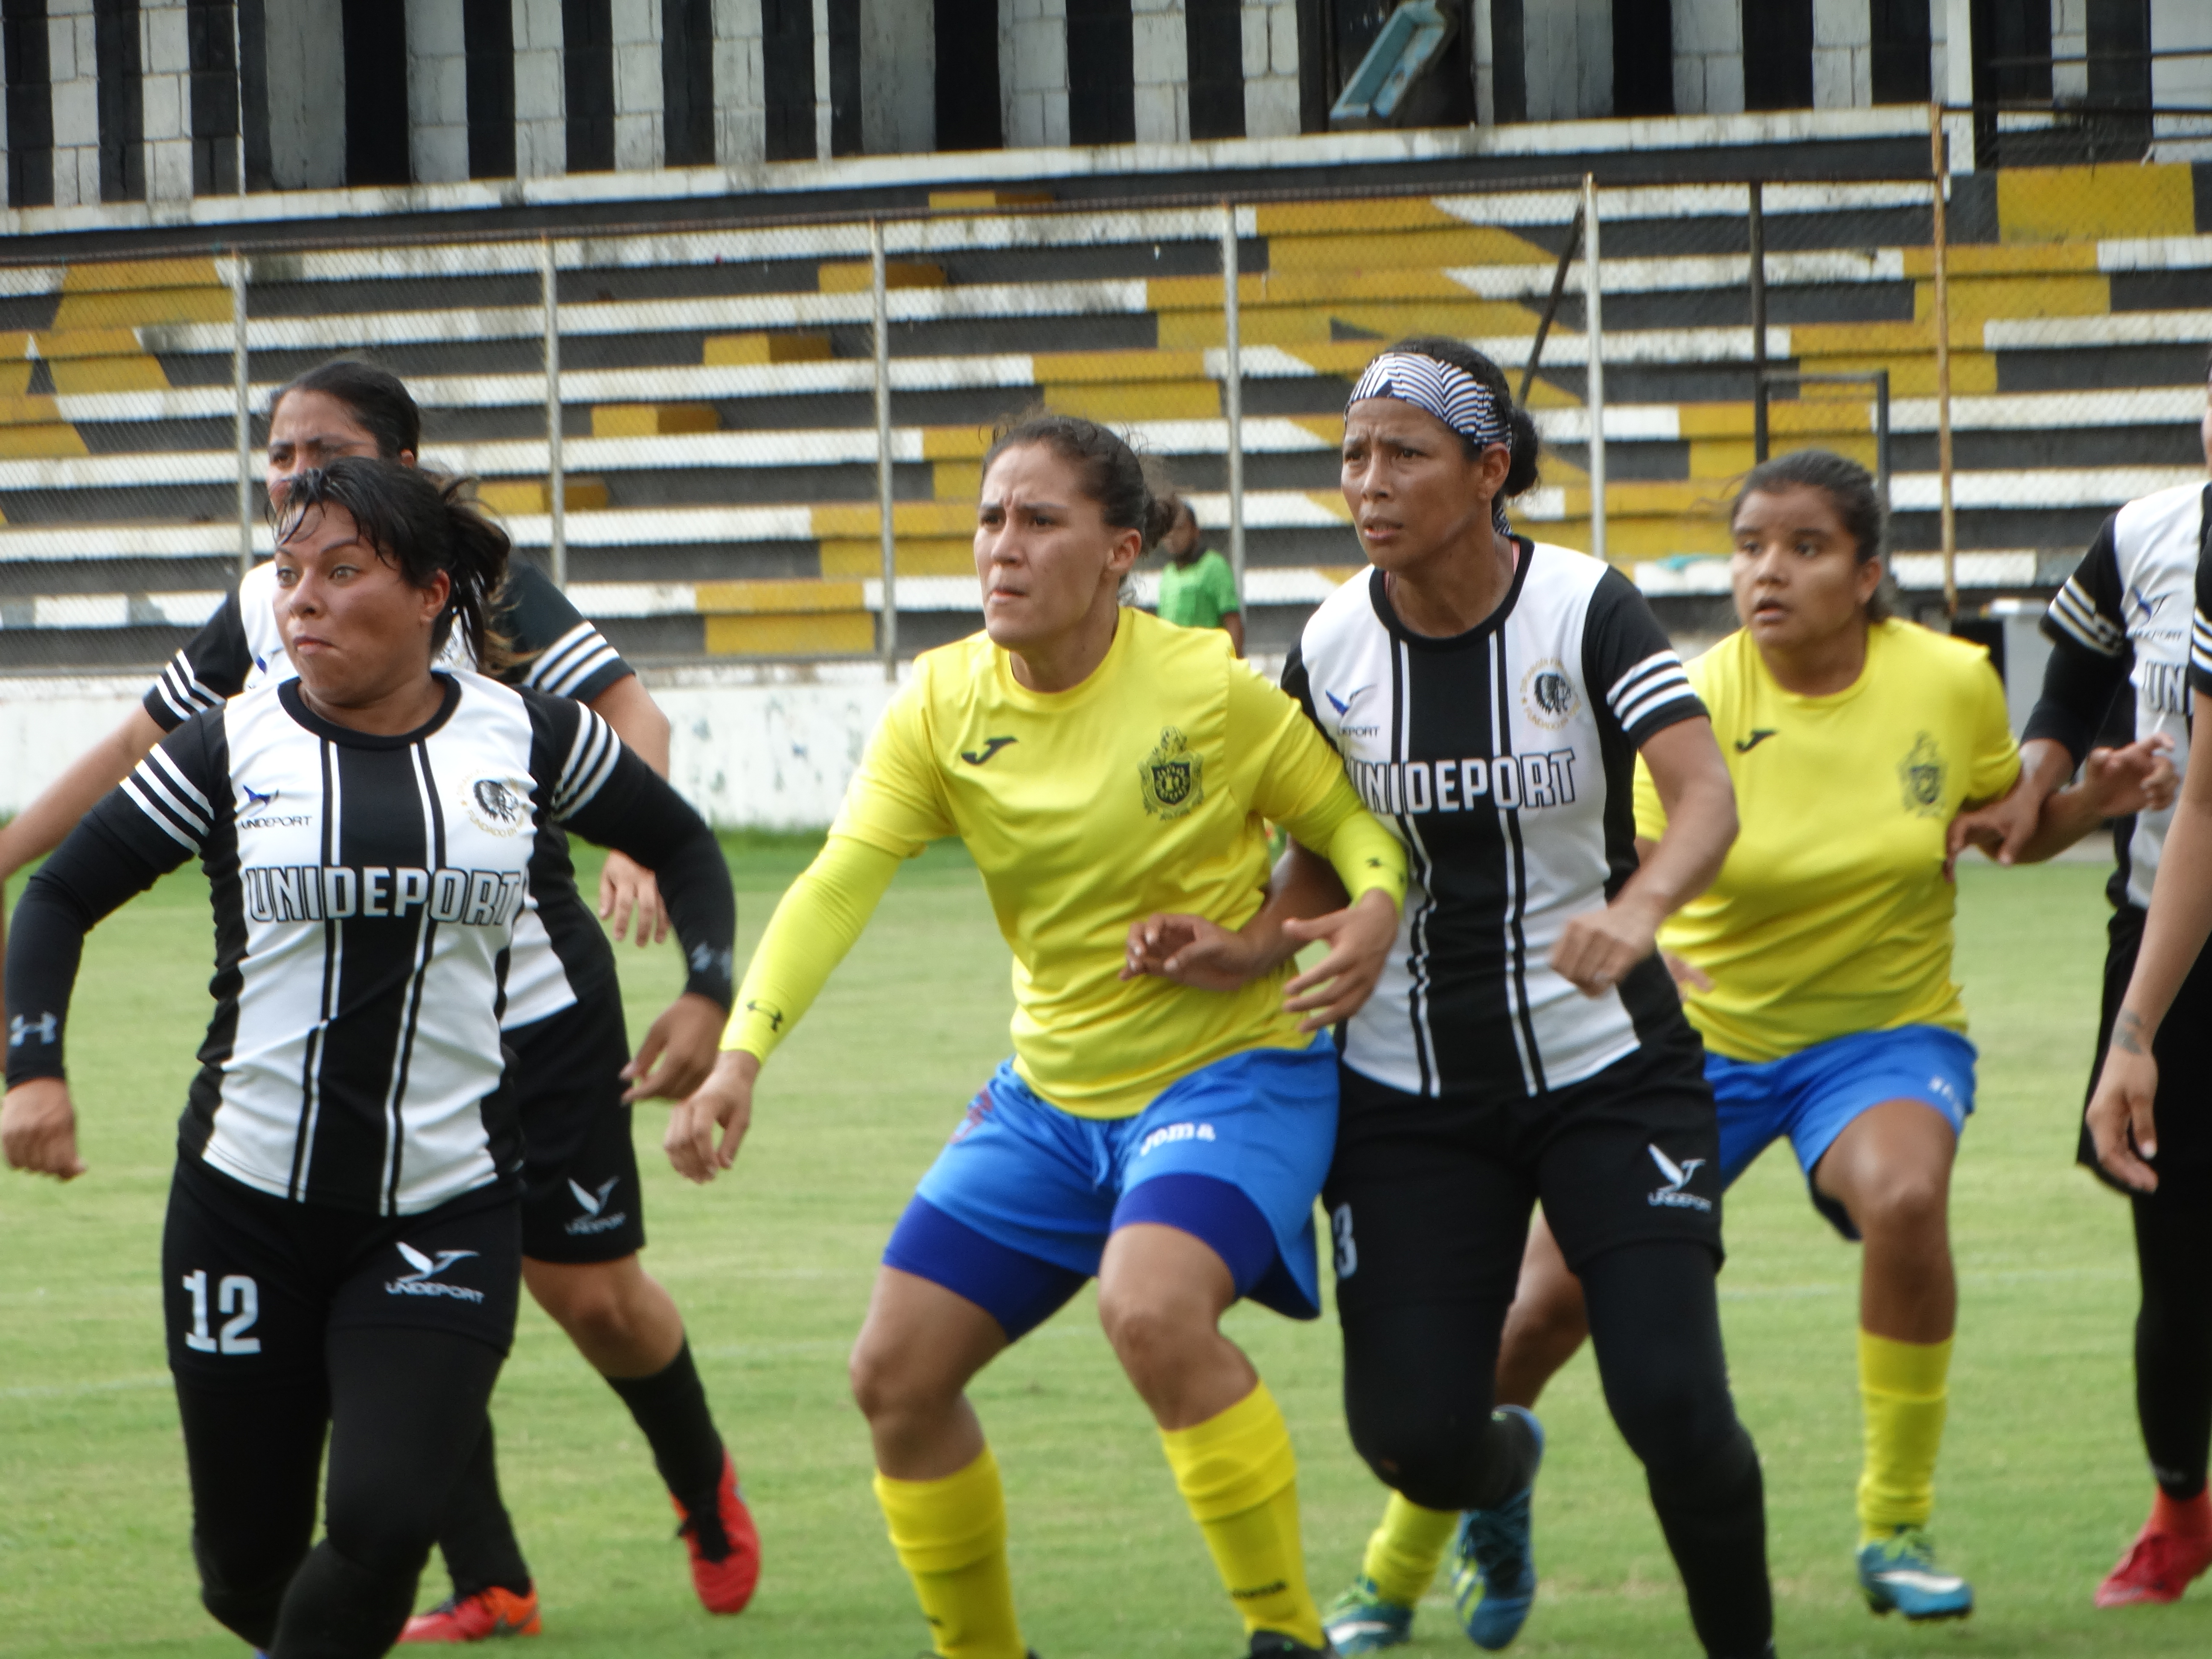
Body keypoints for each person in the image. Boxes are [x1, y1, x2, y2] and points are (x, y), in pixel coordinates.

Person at [0, 358, 760, 1640]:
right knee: (265, 1550)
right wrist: (27, 983)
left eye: (325, 455)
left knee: (588, 1299)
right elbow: (117, 800)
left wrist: (685, 947)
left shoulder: (500, 640)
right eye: (281, 459)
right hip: (263, 1171)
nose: (296, 485)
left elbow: (643, 745)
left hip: (518, 1036)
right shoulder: (257, 654)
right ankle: (492, 1574)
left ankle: (698, 1488)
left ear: (415, 534)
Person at [665, 411, 1408, 1659]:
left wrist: (1367, 912)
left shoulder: (1204, 688)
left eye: (1039, 520)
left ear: (1122, 554)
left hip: (1233, 1073)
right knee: (892, 1378)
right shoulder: (944, 700)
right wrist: (742, 1058)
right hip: (1051, 1102)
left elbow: (1351, 829)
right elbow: (841, 880)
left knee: (1154, 1310)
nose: (1001, 548)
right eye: (989, 519)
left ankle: (1288, 1635)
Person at [1296, 441, 2023, 1652]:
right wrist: (1646, 925)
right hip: (1704, 1032)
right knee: (1521, 1334)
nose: (1768, 572)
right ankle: (1402, 1563)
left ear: (1869, 571)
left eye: (1804, 547)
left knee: (1878, 1217)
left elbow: (2003, 810)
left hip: (1867, 1038)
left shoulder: (1950, 679)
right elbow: (1634, 846)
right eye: (1748, 547)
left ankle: (1893, 1526)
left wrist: (2069, 801)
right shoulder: (1693, 682)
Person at [1127, 338, 1769, 1659]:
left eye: (1403, 453)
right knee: (1415, 1440)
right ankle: (1505, 1472)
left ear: (1489, 474)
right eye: (1354, 456)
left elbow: (1704, 795)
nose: (1369, 482)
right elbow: (1316, 845)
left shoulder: (1588, 607)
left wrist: (1640, 912)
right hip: (1408, 1092)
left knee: (1673, 1408)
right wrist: (1255, 949)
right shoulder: (1331, 639)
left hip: (1609, 1070)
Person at [2008, 365, 2212, 1608]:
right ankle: (2179, 1506)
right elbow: (2070, 687)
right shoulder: (2146, 534)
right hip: (2163, 928)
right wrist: (2046, 776)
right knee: (2174, 1240)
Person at [1154, 495, 1246, 657]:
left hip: (1206, 664)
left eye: (1180, 529)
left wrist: (1233, 665)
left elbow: (1233, 623)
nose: (1172, 537)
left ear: (1195, 531)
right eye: (1167, 531)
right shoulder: (1168, 574)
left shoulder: (1214, 566)